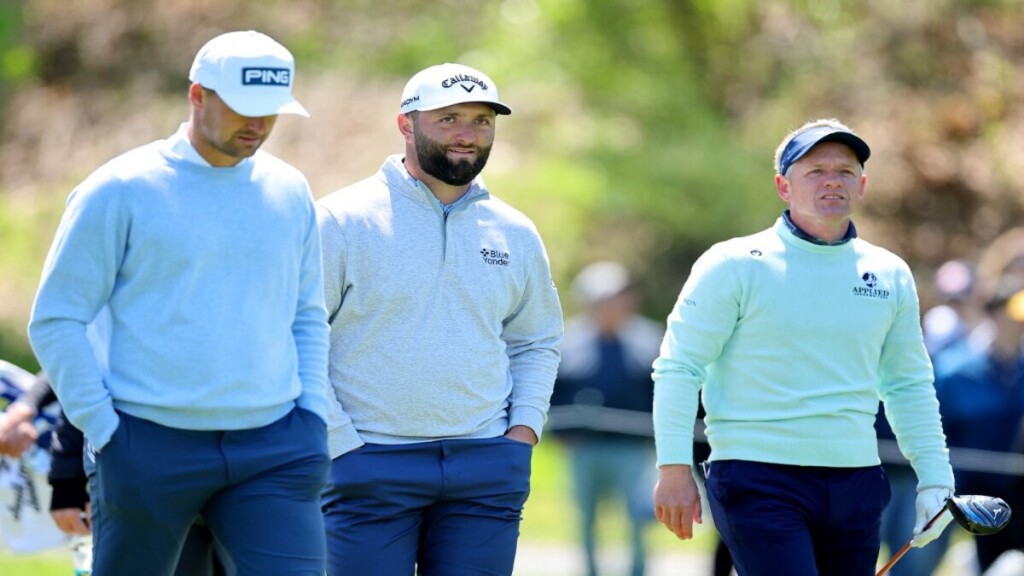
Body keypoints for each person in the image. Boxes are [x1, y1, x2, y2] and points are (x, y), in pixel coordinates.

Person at [27, 30, 331, 575]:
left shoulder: (290, 190)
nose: (258, 125)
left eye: (271, 111)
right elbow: (57, 320)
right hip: (145, 445)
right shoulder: (118, 189)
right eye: (243, 108)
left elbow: (305, 314)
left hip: (276, 446)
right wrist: (106, 432)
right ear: (197, 95)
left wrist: (312, 415)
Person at [650, 118, 956, 576]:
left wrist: (935, 478)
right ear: (783, 186)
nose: (832, 180)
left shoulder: (889, 273)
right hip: (757, 475)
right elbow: (679, 368)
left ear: (863, 185)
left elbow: (908, 383)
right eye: (815, 170)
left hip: (857, 481)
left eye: (845, 171)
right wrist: (673, 467)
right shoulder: (733, 263)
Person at [317, 62, 563, 575]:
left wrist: (522, 433)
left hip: (486, 464)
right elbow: (297, 339)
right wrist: (340, 444)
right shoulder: (341, 219)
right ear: (406, 123)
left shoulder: (514, 231)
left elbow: (536, 339)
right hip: (368, 462)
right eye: (448, 118)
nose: (467, 135)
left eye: (481, 121)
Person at [548, 261, 663, 576]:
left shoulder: (650, 338)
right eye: (603, 298)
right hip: (584, 448)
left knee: (639, 516)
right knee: (586, 517)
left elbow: (663, 392)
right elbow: (552, 391)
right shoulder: (567, 340)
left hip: (634, 448)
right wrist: (562, 434)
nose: (611, 305)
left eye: (617, 296)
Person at [933, 277, 1024, 573]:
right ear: (995, 314)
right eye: (1015, 316)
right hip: (962, 492)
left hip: (1017, 493)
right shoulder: (954, 371)